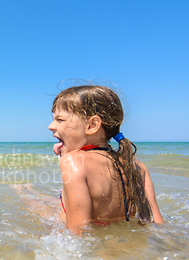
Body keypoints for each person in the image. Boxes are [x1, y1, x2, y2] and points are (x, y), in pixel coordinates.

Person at [48, 85, 164, 231]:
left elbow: (78, 232)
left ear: (92, 125)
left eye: (59, 120)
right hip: (127, 248)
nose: (51, 126)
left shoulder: (73, 161)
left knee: (36, 204)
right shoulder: (138, 167)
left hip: (93, 251)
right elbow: (158, 225)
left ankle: (22, 190)